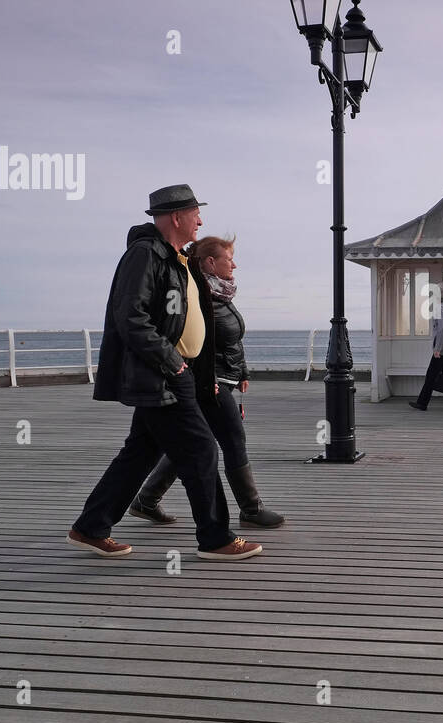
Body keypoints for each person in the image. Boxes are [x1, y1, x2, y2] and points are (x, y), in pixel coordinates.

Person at [66, 184, 262, 561]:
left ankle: (91, 526)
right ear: (176, 217)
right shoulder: (145, 255)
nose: (200, 220)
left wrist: (204, 377)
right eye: (195, 214)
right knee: (202, 449)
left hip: (178, 373)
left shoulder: (176, 258)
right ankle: (216, 538)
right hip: (162, 374)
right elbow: (131, 318)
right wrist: (172, 362)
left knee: (140, 452)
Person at [128, 234, 284, 528]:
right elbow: (194, 342)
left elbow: (231, 339)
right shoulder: (196, 295)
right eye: (229, 259)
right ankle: (251, 508)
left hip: (225, 378)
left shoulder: (221, 294)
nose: (234, 265)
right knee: (232, 439)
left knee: (194, 442)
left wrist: (243, 373)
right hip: (208, 382)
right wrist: (205, 379)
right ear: (211, 263)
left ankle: (147, 499)